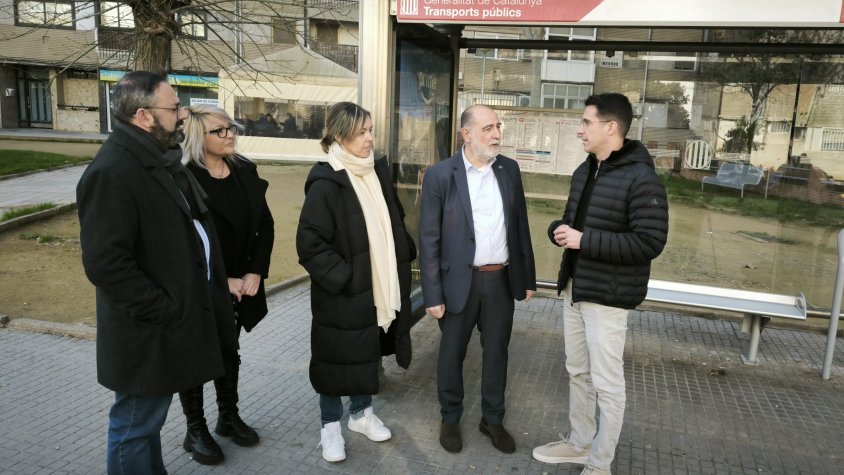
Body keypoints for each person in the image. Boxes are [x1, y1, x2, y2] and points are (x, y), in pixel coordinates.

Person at [76, 71, 237, 474]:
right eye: (175, 107)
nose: (183, 115)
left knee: (149, 423)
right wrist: (167, 309)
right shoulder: (113, 170)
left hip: (166, 326)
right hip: (145, 333)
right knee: (133, 424)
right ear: (145, 115)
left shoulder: (156, 159)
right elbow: (106, 264)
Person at [532, 93, 669, 475]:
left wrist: (584, 240)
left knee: (607, 383)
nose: (579, 130)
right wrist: (558, 230)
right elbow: (571, 222)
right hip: (576, 288)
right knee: (577, 370)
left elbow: (649, 243)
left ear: (611, 128)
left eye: (586, 123)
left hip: (608, 297)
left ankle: (599, 464)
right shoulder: (586, 170)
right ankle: (580, 444)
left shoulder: (642, 179)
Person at [296, 101, 417, 463]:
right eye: (361, 132)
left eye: (370, 130)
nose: (369, 139)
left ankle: (361, 415)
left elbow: (393, 218)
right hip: (344, 294)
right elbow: (310, 245)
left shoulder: (375, 172)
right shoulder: (327, 181)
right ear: (338, 135)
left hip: (376, 286)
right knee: (335, 360)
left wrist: (402, 251)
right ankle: (330, 426)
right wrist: (346, 279)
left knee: (365, 352)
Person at [419, 104, 537, 455]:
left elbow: (520, 227)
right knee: (452, 353)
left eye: (498, 127)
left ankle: (493, 419)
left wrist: (526, 277)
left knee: (497, 352)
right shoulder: (441, 176)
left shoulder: (509, 170)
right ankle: (450, 417)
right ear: (466, 134)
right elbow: (429, 241)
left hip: (499, 279)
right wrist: (432, 294)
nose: (497, 134)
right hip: (459, 283)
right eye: (487, 128)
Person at [177, 105, 275, 465]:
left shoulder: (244, 170)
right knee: (196, 354)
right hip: (200, 284)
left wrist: (256, 271)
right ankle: (195, 429)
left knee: (228, 350)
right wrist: (222, 278)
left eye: (232, 128)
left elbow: (264, 225)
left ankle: (227, 417)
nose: (230, 134)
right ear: (199, 137)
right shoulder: (182, 177)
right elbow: (182, 240)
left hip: (240, 284)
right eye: (220, 131)